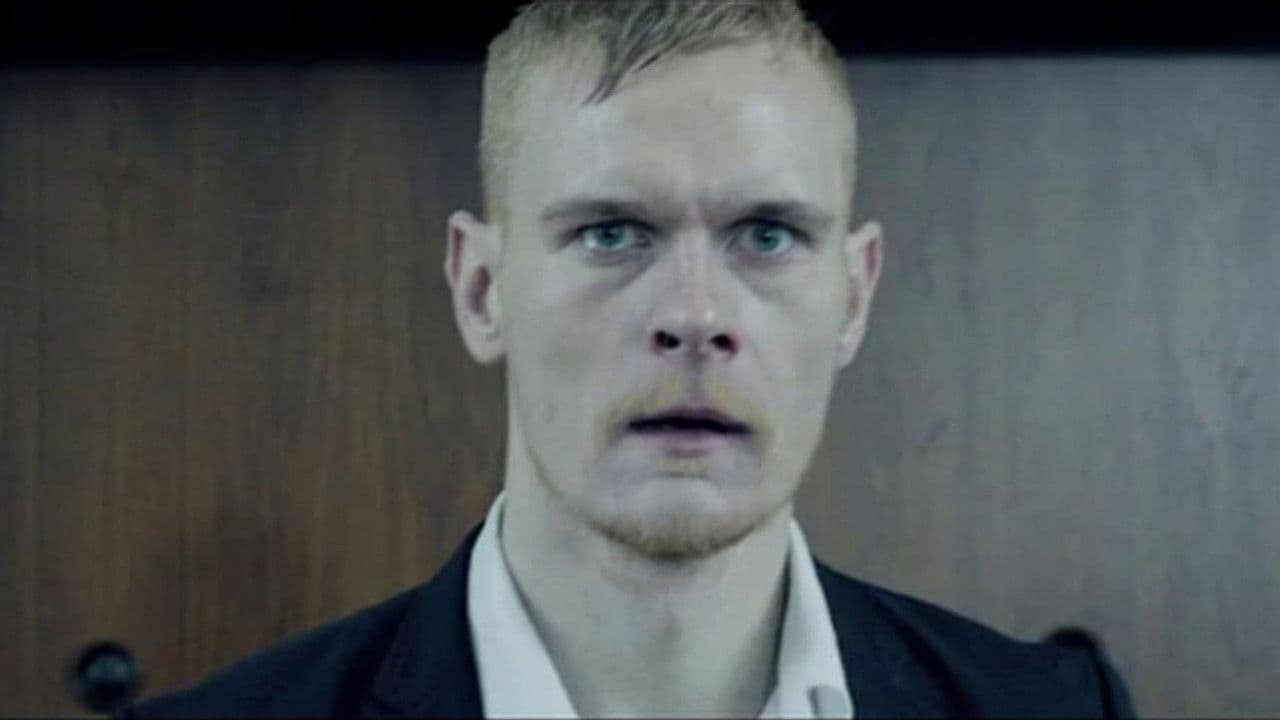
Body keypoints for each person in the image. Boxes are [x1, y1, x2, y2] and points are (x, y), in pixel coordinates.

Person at [127, 1, 1135, 717]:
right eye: (611, 233)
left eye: (767, 235)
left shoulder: (1055, 711)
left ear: (853, 296)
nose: (695, 316)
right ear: (481, 291)